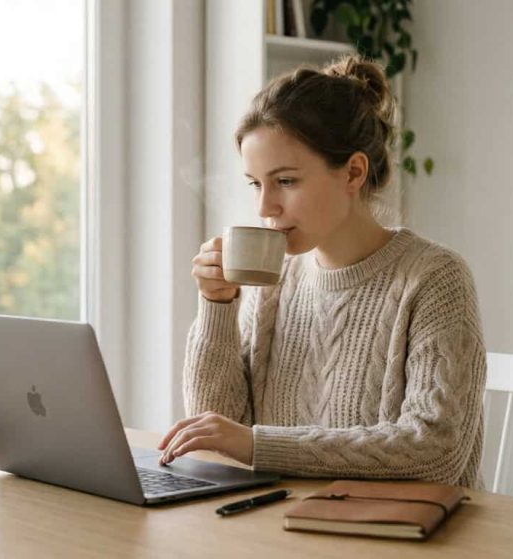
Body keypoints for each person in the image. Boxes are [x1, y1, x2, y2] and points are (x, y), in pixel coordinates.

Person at [157, 54, 486, 488]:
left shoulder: (434, 278)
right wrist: (216, 307)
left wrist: (259, 446)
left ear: (352, 172)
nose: (264, 207)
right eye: (255, 183)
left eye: (286, 181)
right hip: (289, 523)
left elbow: (433, 449)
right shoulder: (277, 280)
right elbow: (222, 431)